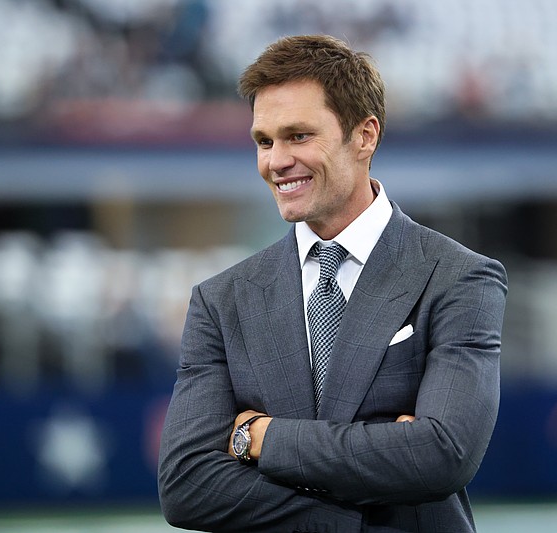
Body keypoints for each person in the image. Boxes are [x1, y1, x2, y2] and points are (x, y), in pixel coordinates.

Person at [158, 34, 508, 533]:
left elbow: (441, 454)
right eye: (264, 141)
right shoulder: (221, 301)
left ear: (365, 136)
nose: (275, 161)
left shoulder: (459, 277)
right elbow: (186, 487)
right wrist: (363, 509)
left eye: (298, 136)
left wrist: (259, 439)